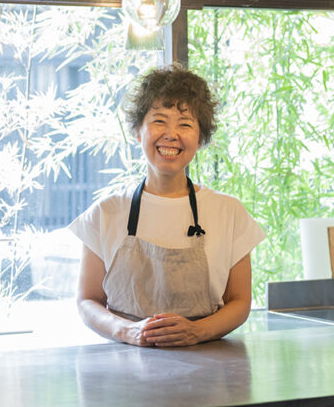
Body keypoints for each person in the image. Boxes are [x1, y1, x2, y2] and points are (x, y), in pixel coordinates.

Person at [69, 64, 265, 347]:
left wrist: (197, 331)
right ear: (138, 131)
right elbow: (87, 301)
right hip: (123, 368)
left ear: (200, 139)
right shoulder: (105, 213)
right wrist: (129, 332)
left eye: (185, 124)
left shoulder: (229, 212)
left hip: (208, 366)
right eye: (159, 121)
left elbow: (240, 302)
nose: (171, 134)